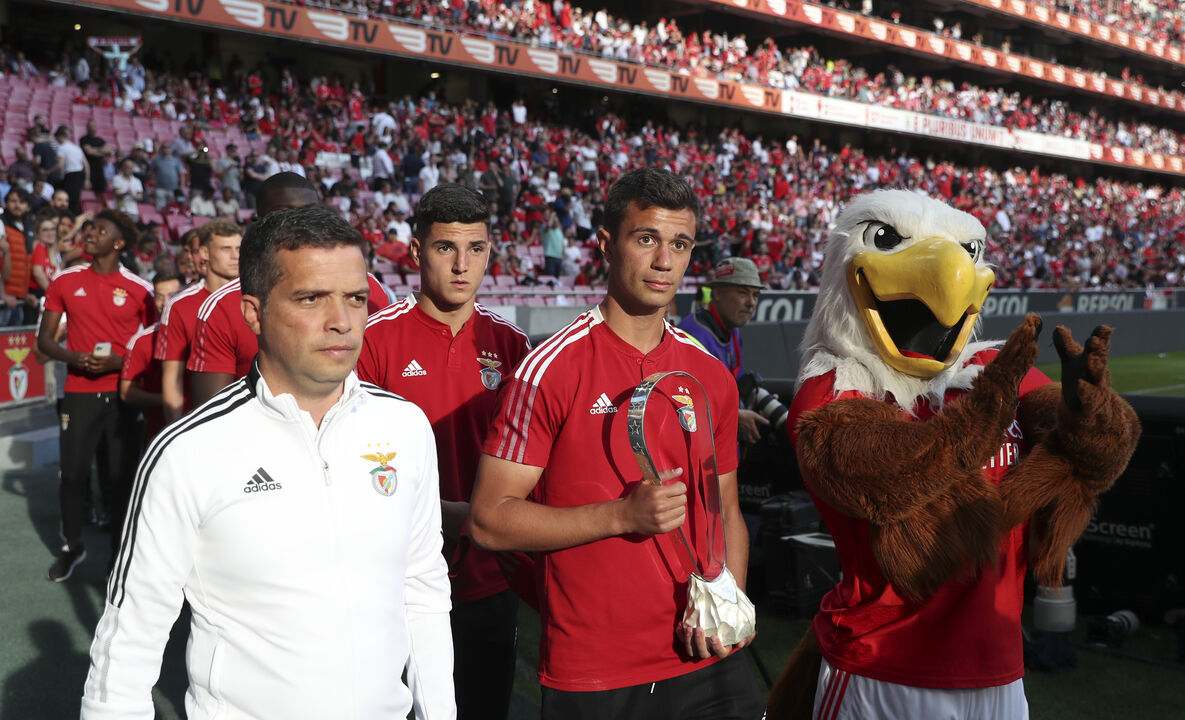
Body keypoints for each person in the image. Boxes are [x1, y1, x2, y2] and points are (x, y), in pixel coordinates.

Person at [80, 207, 455, 719]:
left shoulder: (406, 427)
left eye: (355, 299)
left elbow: (423, 589)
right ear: (253, 313)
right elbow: (130, 637)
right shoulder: (189, 451)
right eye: (311, 298)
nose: (341, 322)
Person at [469, 167, 762, 719]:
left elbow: (724, 507)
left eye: (679, 244)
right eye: (646, 238)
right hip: (598, 671)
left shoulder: (710, 374)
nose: (663, 261)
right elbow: (489, 520)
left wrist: (729, 601)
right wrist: (621, 516)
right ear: (606, 244)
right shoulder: (547, 370)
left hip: (708, 658)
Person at [356, 184, 531, 720]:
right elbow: (350, 464)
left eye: (476, 249)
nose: (462, 265)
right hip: (393, 580)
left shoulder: (513, 346)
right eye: (445, 248)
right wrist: (435, 517)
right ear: (415, 251)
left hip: (488, 579)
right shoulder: (373, 341)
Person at [187, 173, 390, 405]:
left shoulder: (369, 288)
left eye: (309, 212)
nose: (300, 223)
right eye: (284, 214)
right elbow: (213, 408)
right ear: (259, 220)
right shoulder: (220, 307)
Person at [38, 209, 156, 581]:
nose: (90, 233)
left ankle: (118, 558)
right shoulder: (64, 280)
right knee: (72, 475)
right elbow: (43, 341)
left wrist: (118, 364)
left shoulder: (142, 289)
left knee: (120, 480)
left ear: (118, 243)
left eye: (99, 230)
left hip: (123, 395)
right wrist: (75, 357)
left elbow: (152, 348)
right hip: (78, 392)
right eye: (89, 228)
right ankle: (73, 547)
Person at [157, 218, 241, 423]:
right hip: (197, 418)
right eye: (226, 248)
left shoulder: (257, 296)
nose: (235, 256)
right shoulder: (179, 305)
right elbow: (172, 377)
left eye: (239, 248)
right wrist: (175, 431)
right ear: (204, 253)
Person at [677, 257, 766, 444]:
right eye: (743, 293)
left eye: (756, 295)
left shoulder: (731, 330)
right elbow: (683, 404)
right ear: (717, 293)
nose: (751, 303)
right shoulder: (693, 336)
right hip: (702, 456)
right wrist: (736, 417)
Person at [120, 269, 181, 448]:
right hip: (159, 436)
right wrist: (167, 398)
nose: (165, 302)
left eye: (172, 295)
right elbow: (126, 392)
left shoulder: (202, 332)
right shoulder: (141, 341)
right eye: (159, 296)